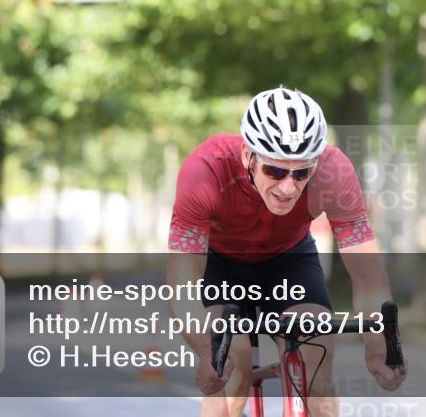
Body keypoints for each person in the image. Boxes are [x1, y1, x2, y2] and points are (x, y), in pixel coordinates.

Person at [167, 86, 406, 417]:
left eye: (301, 173)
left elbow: (369, 279)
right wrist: (206, 353)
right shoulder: (205, 171)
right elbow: (181, 287)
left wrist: (377, 346)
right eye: (275, 171)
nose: (288, 187)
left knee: (316, 363)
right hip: (221, 263)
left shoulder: (334, 172)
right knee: (233, 372)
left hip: (289, 260)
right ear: (248, 157)